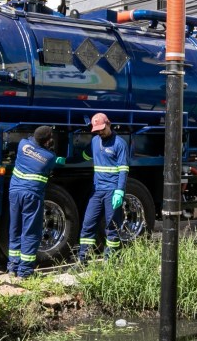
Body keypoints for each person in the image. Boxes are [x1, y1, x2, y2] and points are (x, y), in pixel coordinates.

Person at [8, 126, 64, 278]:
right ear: (48, 140)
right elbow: (51, 163)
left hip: (14, 193)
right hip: (31, 195)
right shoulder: (49, 157)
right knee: (30, 232)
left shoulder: (22, 144)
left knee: (15, 229)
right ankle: (25, 271)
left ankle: (12, 267)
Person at [76, 113, 129, 263]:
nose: (100, 132)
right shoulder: (94, 141)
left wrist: (120, 191)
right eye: (97, 130)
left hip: (112, 191)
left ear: (109, 124)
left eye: (102, 129)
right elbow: (85, 156)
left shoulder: (119, 144)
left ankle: (110, 261)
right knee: (87, 224)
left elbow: (123, 170)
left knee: (111, 227)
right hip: (97, 191)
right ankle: (82, 260)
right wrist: (65, 160)